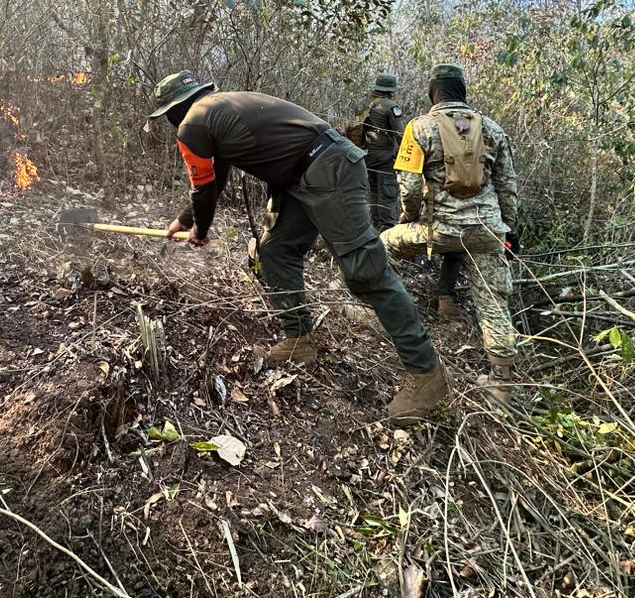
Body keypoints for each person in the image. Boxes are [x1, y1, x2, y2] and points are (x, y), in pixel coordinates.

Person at [146, 70, 449, 421]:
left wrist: (200, 228)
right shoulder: (217, 111)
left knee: (365, 270)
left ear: (173, 110)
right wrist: (187, 220)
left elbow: (202, 188)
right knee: (274, 250)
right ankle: (300, 339)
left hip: (327, 169)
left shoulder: (193, 124)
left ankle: (426, 371)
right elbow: (216, 177)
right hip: (305, 174)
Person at [380, 63, 520, 407]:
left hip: (438, 230)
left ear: (434, 93)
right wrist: (508, 229)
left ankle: (377, 314)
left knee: (382, 246)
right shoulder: (493, 130)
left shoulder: (419, 127)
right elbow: (508, 187)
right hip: (486, 231)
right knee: (493, 301)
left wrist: (408, 218)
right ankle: (501, 383)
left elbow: (410, 188)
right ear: (463, 92)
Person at [345, 73, 405, 229]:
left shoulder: (364, 104)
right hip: (386, 158)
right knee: (388, 195)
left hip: (366, 156)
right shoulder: (391, 107)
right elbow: (400, 135)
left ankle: (374, 228)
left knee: (374, 193)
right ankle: (387, 230)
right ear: (390, 90)